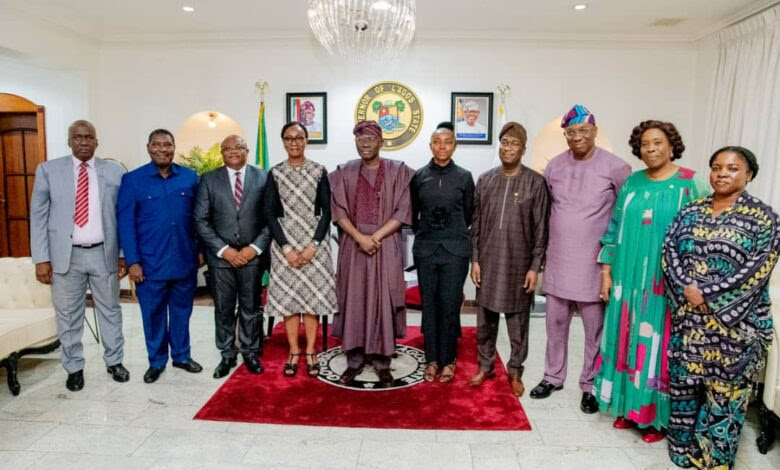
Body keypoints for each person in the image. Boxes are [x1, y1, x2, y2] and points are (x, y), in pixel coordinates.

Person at [592, 121, 710, 443]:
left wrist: (696, 280)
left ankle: (655, 418)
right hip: (627, 280)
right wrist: (606, 273)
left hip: (664, 284)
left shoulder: (690, 183)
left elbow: (706, 233)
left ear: (672, 146)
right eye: (645, 144)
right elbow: (614, 228)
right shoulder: (631, 182)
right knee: (624, 339)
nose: (651, 149)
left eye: (658, 143)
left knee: (655, 346)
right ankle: (628, 409)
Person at [663, 146, 779, 469]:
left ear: (749, 174)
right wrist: (687, 289)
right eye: (716, 167)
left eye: (732, 168)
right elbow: (669, 250)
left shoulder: (764, 218)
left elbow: (758, 269)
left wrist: (708, 294)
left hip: (735, 326)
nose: (722, 173)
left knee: (725, 395)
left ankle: (712, 459)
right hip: (690, 322)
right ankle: (681, 450)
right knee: (685, 386)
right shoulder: (690, 211)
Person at [530, 105, 631, 414]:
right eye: (571, 133)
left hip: (594, 265)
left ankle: (590, 385)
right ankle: (553, 377)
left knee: (594, 331)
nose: (577, 137)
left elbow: (624, 217)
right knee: (555, 326)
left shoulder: (617, 167)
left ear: (595, 131)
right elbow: (548, 210)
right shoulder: (555, 166)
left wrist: (610, 264)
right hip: (559, 260)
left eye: (583, 131)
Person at [29, 120, 129, 391]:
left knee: (110, 310)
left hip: (103, 253)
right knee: (69, 314)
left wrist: (122, 254)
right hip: (65, 257)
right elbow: (37, 217)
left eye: (89, 137)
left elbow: (123, 217)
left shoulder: (114, 172)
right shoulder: (48, 171)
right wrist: (41, 258)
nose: (84, 142)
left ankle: (114, 361)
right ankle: (74, 367)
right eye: (78, 137)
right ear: (69, 141)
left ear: (97, 141)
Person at [329, 120, 414, 388]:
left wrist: (374, 237)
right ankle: (354, 359)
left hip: (385, 243)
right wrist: (359, 237)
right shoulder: (344, 172)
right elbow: (339, 211)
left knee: (383, 298)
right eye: (360, 139)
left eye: (370, 139)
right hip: (353, 245)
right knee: (353, 297)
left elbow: (402, 211)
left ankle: (382, 361)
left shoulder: (399, 171)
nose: (365, 143)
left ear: (382, 141)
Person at [468, 122, 549, 396]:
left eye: (514, 143)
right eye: (504, 142)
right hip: (488, 262)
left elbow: (541, 229)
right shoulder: (485, 180)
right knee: (485, 321)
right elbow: (476, 225)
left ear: (523, 149)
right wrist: (475, 260)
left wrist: (535, 266)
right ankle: (485, 365)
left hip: (518, 263)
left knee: (518, 324)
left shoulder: (536, 183)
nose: (508, 148)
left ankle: (515, 371)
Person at [117, 129, 203, 383]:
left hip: (184, 260)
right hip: (149, 263)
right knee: (153, 315)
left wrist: (200, 250)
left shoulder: (189, 178)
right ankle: (156, 361)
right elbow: (126, 224)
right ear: (148, 147)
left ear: (174, 148)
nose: (163, 149)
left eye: (168, 145)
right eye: (157, 145)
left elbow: (198, 219)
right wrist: (132, 261)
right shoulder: (133, 180)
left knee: (181, 313)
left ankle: (182, 356)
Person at [264, 122, 337, 377]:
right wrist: (286, 248)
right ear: (283, 142)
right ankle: (294, 350)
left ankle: (311, 351)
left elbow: (327, 212)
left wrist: (313, 246)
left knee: (312, 300)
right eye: (289, 138)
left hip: (314, 246)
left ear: (307, 141)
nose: (294, 142)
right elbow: (270, 214)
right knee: (290, 301)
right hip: (285, 245)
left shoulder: (319, 171)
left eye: (299, 138)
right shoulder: (275, 173)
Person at [194, 135, 270, 378]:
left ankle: (250, 351)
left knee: (250, 306)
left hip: (252, 257)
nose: (233, 151)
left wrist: (254, 248)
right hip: (220, 259)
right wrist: (224, 250)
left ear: (247, 151)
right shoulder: (208, 179)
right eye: (227, 148)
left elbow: (272, 218)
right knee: (224, 308)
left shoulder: (264, 177)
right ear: (221, 152)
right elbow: (201, 219)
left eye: (238, 147)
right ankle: (227, 353)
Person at [410, 121, 474, 383]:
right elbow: (413, 214)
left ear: (454, 146)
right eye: (437, 142)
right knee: (430, 306)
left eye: (447, 142)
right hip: (426, 250)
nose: (442, 146)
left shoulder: (465, 177)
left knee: (449, 305)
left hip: (455, 251)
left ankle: (449, 360)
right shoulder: (419, 176)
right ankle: (432, 359)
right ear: (430, 145)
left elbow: (470, 214)